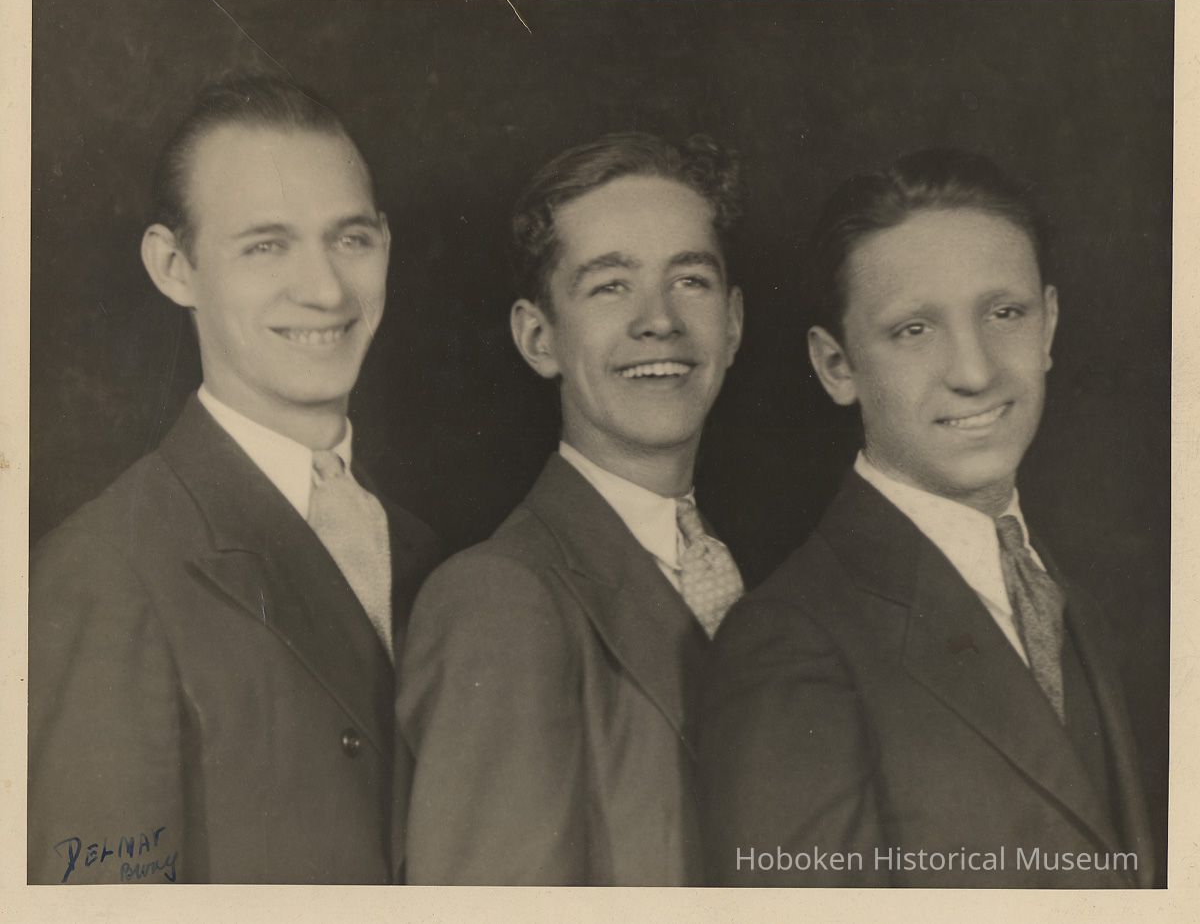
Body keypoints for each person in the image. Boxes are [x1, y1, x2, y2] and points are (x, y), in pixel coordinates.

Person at [698, 148, 1154, 887]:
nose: (974, 372)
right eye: (914, 330)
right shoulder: (789, 642)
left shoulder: (1075, 607)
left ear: (1049, 327)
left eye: (1005, 313)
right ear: (836, 366)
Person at [28, 75, 437, 884]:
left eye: (350, 238)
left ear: (385, 245)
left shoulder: (426, 551)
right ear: (174, 267)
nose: (324, 290)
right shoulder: (104, 572)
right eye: (266, 245)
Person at [396, 132, 746, 885]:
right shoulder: (501, 600)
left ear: (735, 324)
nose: (659, 319)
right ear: (538, 337)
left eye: (691, 280)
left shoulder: (751, 579)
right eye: (610, 286)